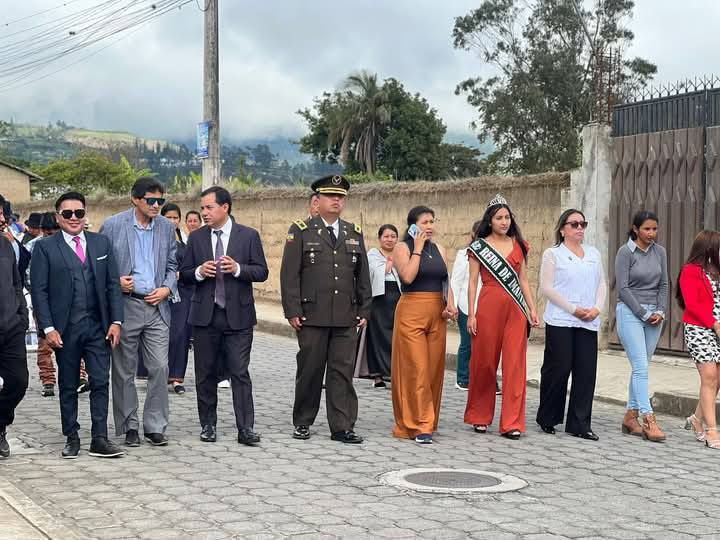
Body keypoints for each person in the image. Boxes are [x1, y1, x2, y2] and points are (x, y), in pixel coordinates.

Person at [30, 192, 125, 459]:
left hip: (98, 327)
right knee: (68, 384)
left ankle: (99, 438)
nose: (74, 218)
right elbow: (39, 291)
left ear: (85, 215)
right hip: (65, 329)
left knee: (100, 381)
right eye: (68, 213)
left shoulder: (101, 243)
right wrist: (48, 328)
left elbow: (112, 285)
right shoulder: (45, 248)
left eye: (79, 213)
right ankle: (71, 436)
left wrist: (116, 321)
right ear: (58, 217)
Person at [280, 175, 372, 444]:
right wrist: (292, 310)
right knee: (310, 370)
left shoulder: (353, 232)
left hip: (346, 315)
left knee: (341, 373)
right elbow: (289, 275)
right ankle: (303, 421)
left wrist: (364, 310)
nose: (336, 200)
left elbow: (362, 275)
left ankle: (342, 426)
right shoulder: (301, 230)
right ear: (316, 201)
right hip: (312, 315)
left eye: (340, 197)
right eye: (331, 196)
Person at [179, 186, 268, 445]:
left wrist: (238, 269)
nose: (204, 213)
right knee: (205, 373)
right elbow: (184, 274)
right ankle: (208, 424)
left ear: (225, 207)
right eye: (202, 208)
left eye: (209, 207)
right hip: (205, 316)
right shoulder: (196, 238)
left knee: (239, 372)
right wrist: (198, 272)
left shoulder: (248, 236)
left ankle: (245, 428)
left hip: (238, 316)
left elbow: (261, 271)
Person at [99, 177, 177, 447]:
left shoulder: (166, 227)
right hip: (125, 305)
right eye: (150, 200)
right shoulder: (112, 225)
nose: (156, 205)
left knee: (160, 367)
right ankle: (129, 425)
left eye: (160, 201)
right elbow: (100, 264)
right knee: (124, 370)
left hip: (157, 306)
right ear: (135, 199)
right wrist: (116, 282)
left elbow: (172, 265)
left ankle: (155, 426)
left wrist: (166, 288)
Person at [464, 194, 539, 439]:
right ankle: (479, 416)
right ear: (490, 220)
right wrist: (471, 314)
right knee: (484, 363)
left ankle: (512, 422)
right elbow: (472, 282)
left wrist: (532, 309)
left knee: (515, 365)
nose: (504, 222)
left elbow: (523, 280)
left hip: (516, 310)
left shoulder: (519, 244)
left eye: (507, 217)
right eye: (499, 218)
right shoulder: (479, 247)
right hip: (488, 306)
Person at [535, 209, 606, 440]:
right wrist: (573, 309)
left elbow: (601, 283)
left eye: (583, 224)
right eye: (574, 224)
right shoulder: (553, 254)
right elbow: (547, 288)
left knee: (586, 371)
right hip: (561, 319)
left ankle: (579, 423)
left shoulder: (594, 253)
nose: (579, 228)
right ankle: (548, 417)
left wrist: (597, 308)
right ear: (562, 229)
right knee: (559, 368)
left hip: (588, 320)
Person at [391, 206, 455, 444]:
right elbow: (407, 277)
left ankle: (428, 419)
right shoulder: (402, 247)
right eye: (425, 222)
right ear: (412, 226)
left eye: (432, 221)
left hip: (437, 312)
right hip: (412, 310)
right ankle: (419, 425)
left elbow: (445, 281)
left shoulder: (439, 249)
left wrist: (451, 304)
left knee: (433, 370)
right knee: (416, 368)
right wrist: (417, 249)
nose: (430, 226)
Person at [615, 210, 668, 442]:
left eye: (654, 229)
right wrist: (643, 313)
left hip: (655, 316)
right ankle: (648, 418)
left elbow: (664, 284)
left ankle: (630, 416)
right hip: (630, 312)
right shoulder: (625, 252)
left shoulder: (660, 252)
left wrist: (660, 311)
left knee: (641, 366)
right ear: (635, 229)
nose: (651, 233)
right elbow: (623, 288)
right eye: (647, 229)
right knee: (640, 367)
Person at [677, 230, 720, 450]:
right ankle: (712, 430)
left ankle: (696, 419)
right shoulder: (690, 271)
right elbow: (692, 304)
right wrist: (715, 325)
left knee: (717, 380)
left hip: (718, 328)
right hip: (699, 328)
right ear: (709, 248)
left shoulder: (717, 271)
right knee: (709, 376)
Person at [0, 193, 29, 459]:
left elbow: (16, 283)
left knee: (18, 382)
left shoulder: (6, 246)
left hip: (11, 328)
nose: (2, 219)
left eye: (3, 213)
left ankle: (0, 425)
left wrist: (22, 316)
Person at [161, 203, 193, 395]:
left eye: (175, 218)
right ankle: (159, 374)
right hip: (161, 292)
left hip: (182, 292)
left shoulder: (186, 239)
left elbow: (192, 265)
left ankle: (176, 378)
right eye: (169, 217)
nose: (172, 221)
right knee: (162, 335)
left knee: (181, 334)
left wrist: (183, 274)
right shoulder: (155, 237)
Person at [365, 224, 402, 388]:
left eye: (393, 236)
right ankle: (378, 376)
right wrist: (389, 264)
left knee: (396, 337)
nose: (390, 239)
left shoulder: (402, 253)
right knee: (377, 337)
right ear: (379, 238)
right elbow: (373, 273)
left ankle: (395, 373)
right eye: (386, 236)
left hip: (398, 297)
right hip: (379, 299)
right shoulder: (373, 254)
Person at [450, 220, 482, 391]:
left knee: (486, 346)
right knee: (467, 343)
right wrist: (453, 305)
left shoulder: (494, 254)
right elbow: (455, 281)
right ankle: (463, 378)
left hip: (486, 306)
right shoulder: (464, 255)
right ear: (473, 234)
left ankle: (484, 380)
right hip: (465, 305)